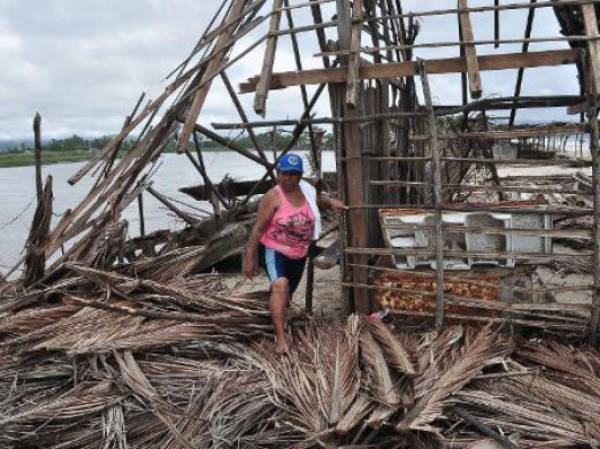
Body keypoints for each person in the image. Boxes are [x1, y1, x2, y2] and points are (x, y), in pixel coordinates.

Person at [243, 152, 346, 353]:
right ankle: (280, 339)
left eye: (293, 174)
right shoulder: (273, 197)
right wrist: (250, 257)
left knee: (286, 294)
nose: (288, 178)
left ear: (300, 176)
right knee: (281, 285)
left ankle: (276, 317)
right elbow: (258, 228)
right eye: (284, 173)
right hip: (275, 250)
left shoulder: (306, 192)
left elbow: (318, 201)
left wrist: (332, 203)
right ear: (277, 173)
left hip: (299, 253)